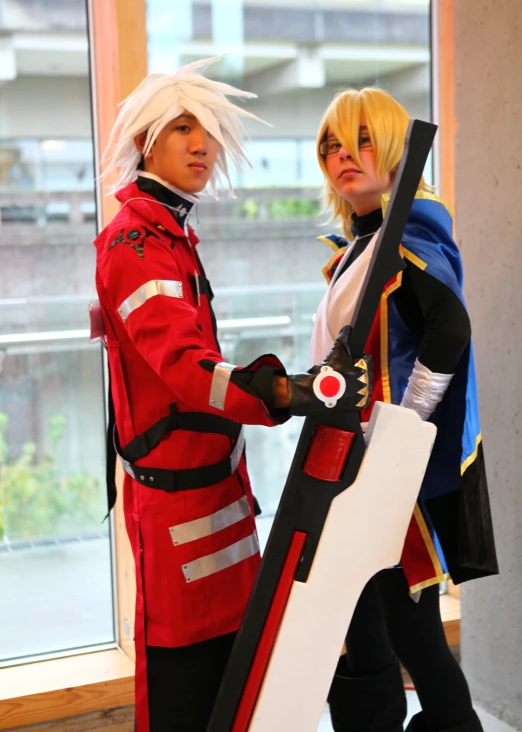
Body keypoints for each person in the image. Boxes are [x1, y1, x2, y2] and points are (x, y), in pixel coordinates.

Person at [92, 57, 371, 732]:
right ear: (144, 142)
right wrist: (287, 391)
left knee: (235, 680)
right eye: (184, 128)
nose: (202, 145)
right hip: (177, 509)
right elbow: (188, 368)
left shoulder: (169, 234)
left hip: (217, 494)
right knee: (187, 687)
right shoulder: (134, 243)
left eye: (210, 131)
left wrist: (289, 391)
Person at [310, 87, 498, 732]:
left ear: (393, 149)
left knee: (410, 628)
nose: (344, 155)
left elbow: (449, 329)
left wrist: (405, 425)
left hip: (390, 467)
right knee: (379, 620)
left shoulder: (410, 229)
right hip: (358, 459)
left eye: (361, 140)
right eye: (331, 145)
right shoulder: (362, 245)